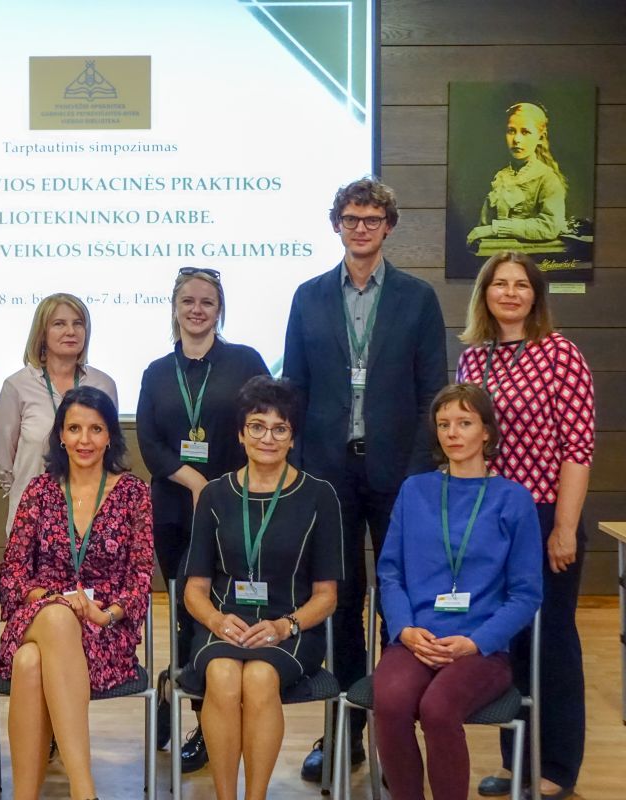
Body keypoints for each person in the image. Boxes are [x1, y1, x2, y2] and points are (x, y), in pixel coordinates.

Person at [282, 177, 448, 780]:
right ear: (336, 225)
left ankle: (392, 726)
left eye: (372, 219)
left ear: (389, 227)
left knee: (398, 598)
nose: (361, 228)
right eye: (351, 218)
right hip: (329, 475)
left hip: (399, 473)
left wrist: (419, 473)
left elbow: (432, 392)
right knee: (341, 599)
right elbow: (294, 390)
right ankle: (343, 731)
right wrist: (300, 467)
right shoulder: (308, 296)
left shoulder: (417, 298)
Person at [456, 252, 594, 800]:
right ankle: (516, 762)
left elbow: (577, 448)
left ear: (536, 295)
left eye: (521, 285)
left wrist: (565, 527)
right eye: (500, 284)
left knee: (551, 641)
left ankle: (556, 766)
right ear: (485, 294)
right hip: (491, 520)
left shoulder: (561, 353)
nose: (510, 293)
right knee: (507, 643)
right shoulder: (474, 358)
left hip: (544, 515)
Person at [374, 383, 542, 800]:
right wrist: (405, 630)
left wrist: (475, 642)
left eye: (464, 423)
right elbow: (390, 573)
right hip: (417, 639)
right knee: (390, 701)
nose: (452, 433)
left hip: (481, 649)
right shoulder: (414, 490)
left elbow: (526, 594)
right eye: (444, 424)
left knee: (438, 708)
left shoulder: (514, 500)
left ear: (486, 431)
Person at [0, 386, 154, 800]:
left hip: (104, 630)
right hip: (39, 614)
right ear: (60, 434)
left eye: (96, 429)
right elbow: (12, 574)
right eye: (74, 428)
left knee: (29, 663)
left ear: (111, 435)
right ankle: (84, 790)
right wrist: (55, 600)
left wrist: (105, 614)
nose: (84, 439)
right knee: (57, 617)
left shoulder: (133, 493)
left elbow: (140, 579)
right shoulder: (40, 491)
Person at [181, 376, 343, 800]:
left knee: (259, 677)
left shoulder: (319, 496)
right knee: (222, 674)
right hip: (224, 623)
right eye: (256, 426)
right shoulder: (215, 494)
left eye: (279, 428)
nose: (267, 438)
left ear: (293, 437)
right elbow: (194, 589)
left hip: (290, 627)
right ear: (240, 433)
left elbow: (327, 596)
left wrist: (285, 626)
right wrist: (215, 620)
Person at [136, 267, 268, 769]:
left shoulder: (245, 362)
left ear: (219, 309)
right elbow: (149, 442)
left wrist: (218, 492)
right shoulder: (156, 371)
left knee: (223, 610)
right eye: (188, 301)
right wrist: (195, 484)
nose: (196, 309)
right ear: (174, 307)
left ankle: (189, 698)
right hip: (174, 513)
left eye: (207, 302)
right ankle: (197, 711)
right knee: (186, 611)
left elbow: (265, 424)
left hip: (237, 511)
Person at [0, 293, 118, 534]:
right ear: (42, 332)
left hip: (91, 516)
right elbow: (4, 455)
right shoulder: (17, 386)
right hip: (32, 517)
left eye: (78, 323)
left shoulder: (103, 385)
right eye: (59, 324)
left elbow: (111, 449)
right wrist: (24, 491)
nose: (71, 331)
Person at [467, 102, 568, 247]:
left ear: (541, 137)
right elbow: (483, 226)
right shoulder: (501, 176)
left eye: (525, 132)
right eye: (511, 131)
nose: (516, 140)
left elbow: (550, 226)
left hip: (533, 253)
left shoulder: (548, 178)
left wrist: (496, 228)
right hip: (496, 251)